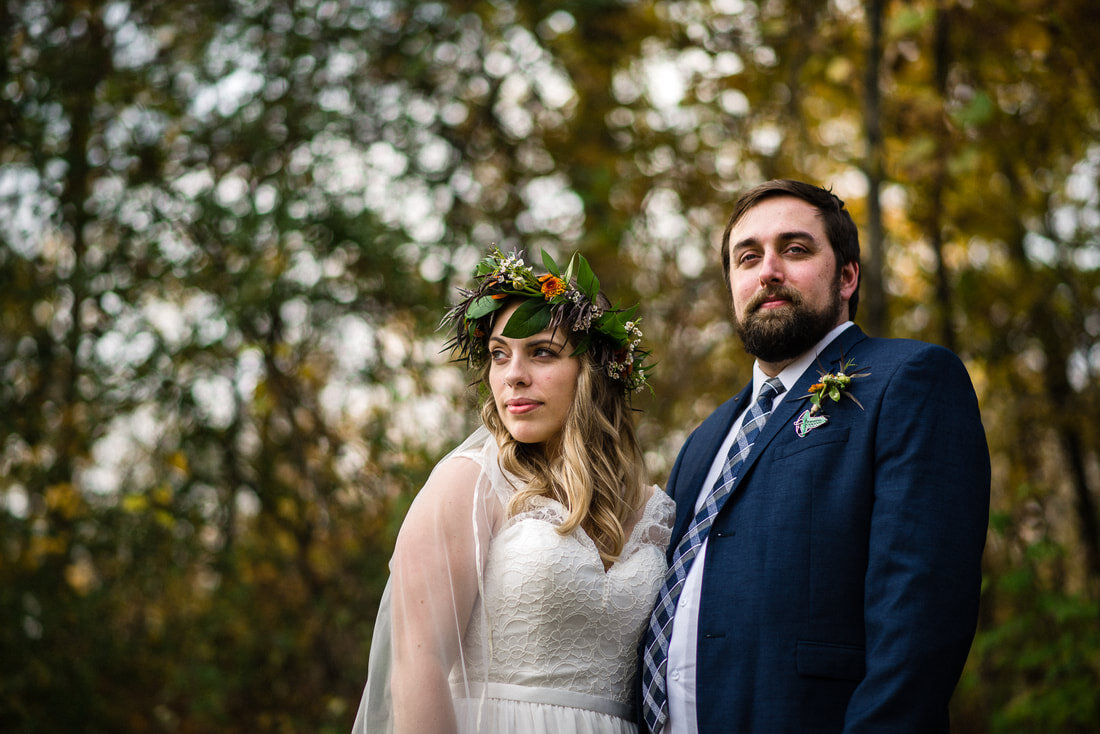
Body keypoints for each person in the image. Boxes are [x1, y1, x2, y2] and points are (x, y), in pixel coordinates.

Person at [639, 179, 990, 734]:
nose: (768, 270)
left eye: (795, 249)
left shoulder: (909, 379)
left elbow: (921, 620)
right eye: (747, 257)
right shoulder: (704, 440)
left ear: (847, 275)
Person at [352, 248, 674, 734]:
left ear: (595, 371)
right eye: (500, 355)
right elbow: (418, 668)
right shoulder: (469, 483)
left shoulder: (655, 509)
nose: (513, 375)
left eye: (541, 352)